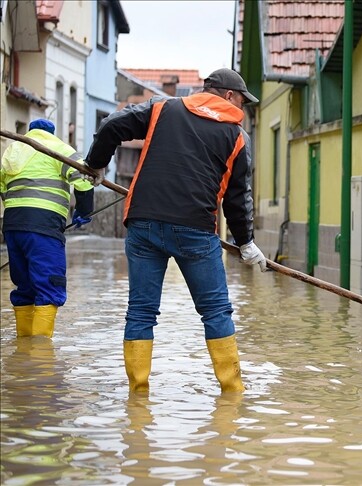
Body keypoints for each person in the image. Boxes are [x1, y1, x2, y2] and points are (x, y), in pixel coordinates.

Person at [83, 68, 266, 394]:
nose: (243, 107)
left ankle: (137, 398)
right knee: (215, 312)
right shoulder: (238, 136)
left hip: (143, 223)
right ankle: (233, 395)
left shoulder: (162, 108)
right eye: (241, 99)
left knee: (140, 312)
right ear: (228, 96)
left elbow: (111, 126)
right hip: (195, 230)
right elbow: (237, 199)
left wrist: (96, 164)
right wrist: (246, 242)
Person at [1, 119, 94, 338]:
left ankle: (22, 350)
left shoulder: (12, 151)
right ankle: (40, 357)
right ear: (51, 133)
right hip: (43, 226)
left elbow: (2, 187)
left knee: (24, 287)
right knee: (49, 284)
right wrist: (83, 211)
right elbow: (84, 178)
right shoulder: (58, 148)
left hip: (13, 225)